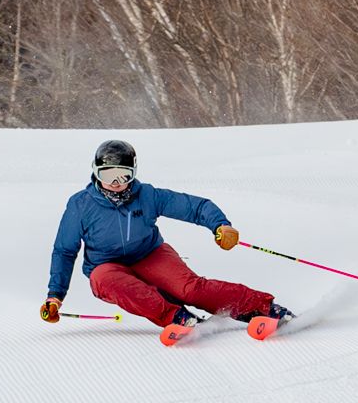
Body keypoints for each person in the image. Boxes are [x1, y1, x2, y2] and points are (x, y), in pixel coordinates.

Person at [39, 139, 291, 337]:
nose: (116, 183)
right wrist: (55, 295)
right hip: (107, 266)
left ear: (134, 173)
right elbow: (64, 250)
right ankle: (178, 317)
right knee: (105, 279)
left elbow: (196, 206)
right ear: (95, 173)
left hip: (150, 254)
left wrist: (221, 225)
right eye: (108, 175)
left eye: (123, 175)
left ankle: (263, 308)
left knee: (189, 290)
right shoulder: (81, 205)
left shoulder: (147, 195)